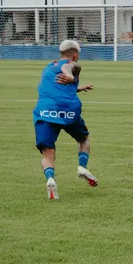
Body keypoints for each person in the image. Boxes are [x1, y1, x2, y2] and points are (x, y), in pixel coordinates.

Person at [33, 40, 96, 200]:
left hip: (45, 110)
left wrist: (77, 87)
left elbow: (52, 87)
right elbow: (70, 68)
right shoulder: (71, 64)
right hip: (68, 110)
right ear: (75, 54)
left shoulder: (48, 67)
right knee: (83, 139)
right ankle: (82, 167)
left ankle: (50, 179)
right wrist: (69, 77)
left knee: (48, 151)